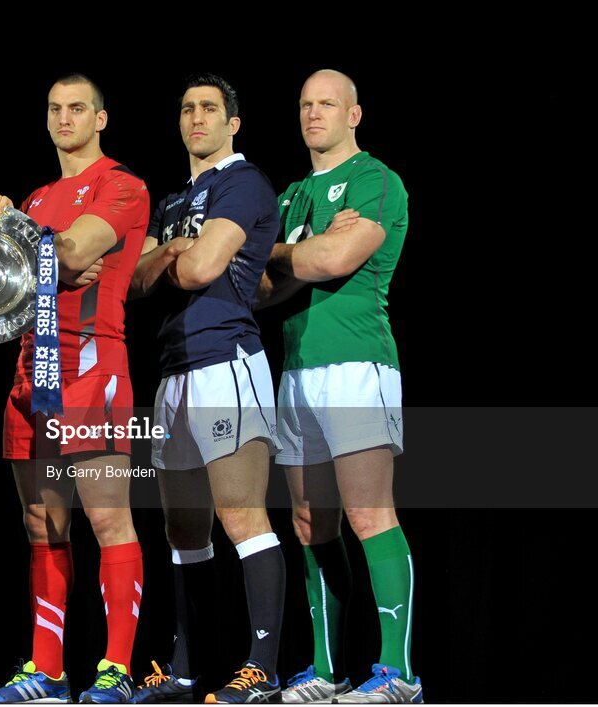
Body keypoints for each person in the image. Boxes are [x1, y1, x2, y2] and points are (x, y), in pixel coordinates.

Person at [0, 74, 150, 704]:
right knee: (41, 523)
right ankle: (46, 672)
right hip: (28, 371)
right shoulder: (40, 194)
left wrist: (27, 237)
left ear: (101, 118)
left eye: (78, 108)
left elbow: (74, 253)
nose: (65, 117)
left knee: (107, 519)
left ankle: (117, 669)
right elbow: (24, 270)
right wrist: (23, 230)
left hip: (93, 368)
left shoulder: (123, 185)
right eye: (55, 109)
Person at [258, 69, 422, 704]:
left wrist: (299, 250)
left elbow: (331, 262)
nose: (314, 114)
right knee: (307, 520)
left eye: (328, 103)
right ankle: (327, 670)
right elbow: (262, 289)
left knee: (368, 513)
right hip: (295, 371)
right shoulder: (295, 194)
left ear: (355, 114)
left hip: (358, 365)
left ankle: (399, 673)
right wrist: (299, 246)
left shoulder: (378, 180)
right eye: (305, 104)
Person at [129, 73, 285, 704]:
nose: (196, 118)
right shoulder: (171, 202)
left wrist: (169, 255)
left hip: (227, 362)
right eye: (188, 109)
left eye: (209, 109)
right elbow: (136, 283)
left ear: (233, 122)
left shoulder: (242, 182)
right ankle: (187, 670)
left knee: (241, 514)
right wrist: (172, 250)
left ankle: (263, 669)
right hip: (173, 371)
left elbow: (196, 269)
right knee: (184, 530)